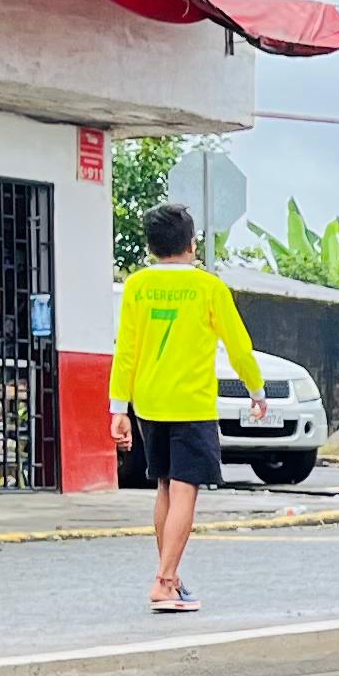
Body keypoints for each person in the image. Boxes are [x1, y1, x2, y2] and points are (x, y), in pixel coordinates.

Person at [106, 202, 270, 612]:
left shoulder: (137, 286)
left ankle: (172, 578)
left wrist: (118, 407)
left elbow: (125, 350)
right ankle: (164, 583)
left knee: (164, 486)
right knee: (185, 491)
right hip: (191, 404)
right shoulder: (208, 288)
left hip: (149, 404)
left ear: (150, 246)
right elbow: (238, 346)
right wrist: (256, 389)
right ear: (192, 244)